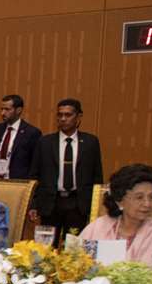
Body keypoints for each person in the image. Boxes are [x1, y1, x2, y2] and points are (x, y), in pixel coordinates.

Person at [81, 164, 152, 275]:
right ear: (120, 201)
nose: (147, 204)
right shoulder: (97, 228)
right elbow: (75, 264)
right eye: (139, 197)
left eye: (151, 197)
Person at [28, 98, 103, 244]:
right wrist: (34, 204)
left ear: (79, 117)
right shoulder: (45, 142)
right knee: (45, 247)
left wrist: (96, 206)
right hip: (51, 203)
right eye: (60, 115)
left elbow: (97, 176)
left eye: (68, 115)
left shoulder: (91, 142)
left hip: (78, 204)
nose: (63, 119)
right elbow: (35, 174)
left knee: (74, 248)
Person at [0, 95, 42, 179]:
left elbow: (35, 162)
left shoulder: (32, 133)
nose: (2, 113)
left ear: (18, 110)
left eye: (7, 109)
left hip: (16, 181)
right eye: (2, 109)